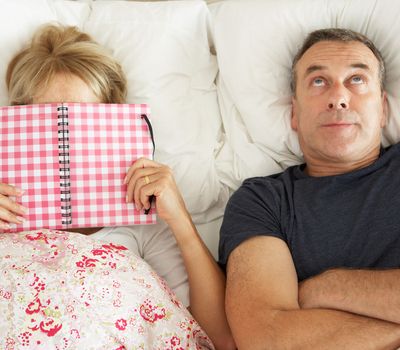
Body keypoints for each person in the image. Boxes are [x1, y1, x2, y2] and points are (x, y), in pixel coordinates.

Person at [3, 24, 234, 349]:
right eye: (50, 119)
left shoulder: (139, 222)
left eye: (84, 120)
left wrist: (182, 221)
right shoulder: (4, 214)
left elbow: (222, 338)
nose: (67, 142)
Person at [219, 28, 400, 349]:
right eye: (318, 82)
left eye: (357, 79)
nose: (338, 97)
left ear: (383, 108)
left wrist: (326, 288)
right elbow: (266, 338)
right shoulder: (262, 201)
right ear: (294, 113)